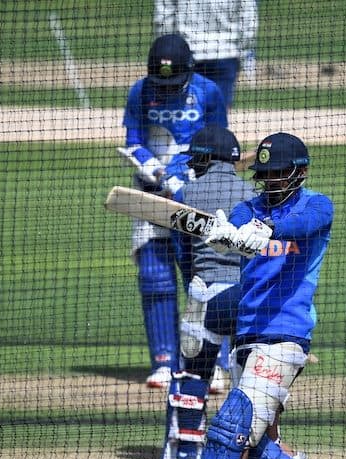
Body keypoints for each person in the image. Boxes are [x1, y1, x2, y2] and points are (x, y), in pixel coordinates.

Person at [142, 133, 346, 459]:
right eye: (265, 175)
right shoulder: (249, 208)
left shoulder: (318, 206)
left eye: (281, 172)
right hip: (247, 339)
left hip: (285, 337)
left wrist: (261, 233)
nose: (273, 180)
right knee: (255, 451)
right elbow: (237, 224)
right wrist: (228, 232)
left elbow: (298, 227)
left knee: (228, 430)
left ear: (300, 172)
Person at [120, 33, 228, 389]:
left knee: (204, 278)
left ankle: (210, 364)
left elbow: (219, 142)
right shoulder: (139, 91)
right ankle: (164, 362)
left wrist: (186, 177)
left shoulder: (209, 92)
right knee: (154, 274)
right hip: (151, 195)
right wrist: (154, 170)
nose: (167, 89)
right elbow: (134, 141)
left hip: (198, 196)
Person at [161, 124, 255, 459]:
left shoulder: (187, 193)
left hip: (203, 293)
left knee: (193, 373)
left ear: (202, 159)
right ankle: (247, 454)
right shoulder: (251, 194)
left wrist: (195, 283)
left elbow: (181, 253)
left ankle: (187, 454)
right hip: (245, 298)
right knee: (248, 379)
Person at [154, 1, 258, 110]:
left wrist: (168, 49)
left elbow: (164, 17)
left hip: (188, 54)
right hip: (226, 53)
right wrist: (242, 52)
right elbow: (249, 20)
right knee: (218, 115)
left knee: (188, 113)